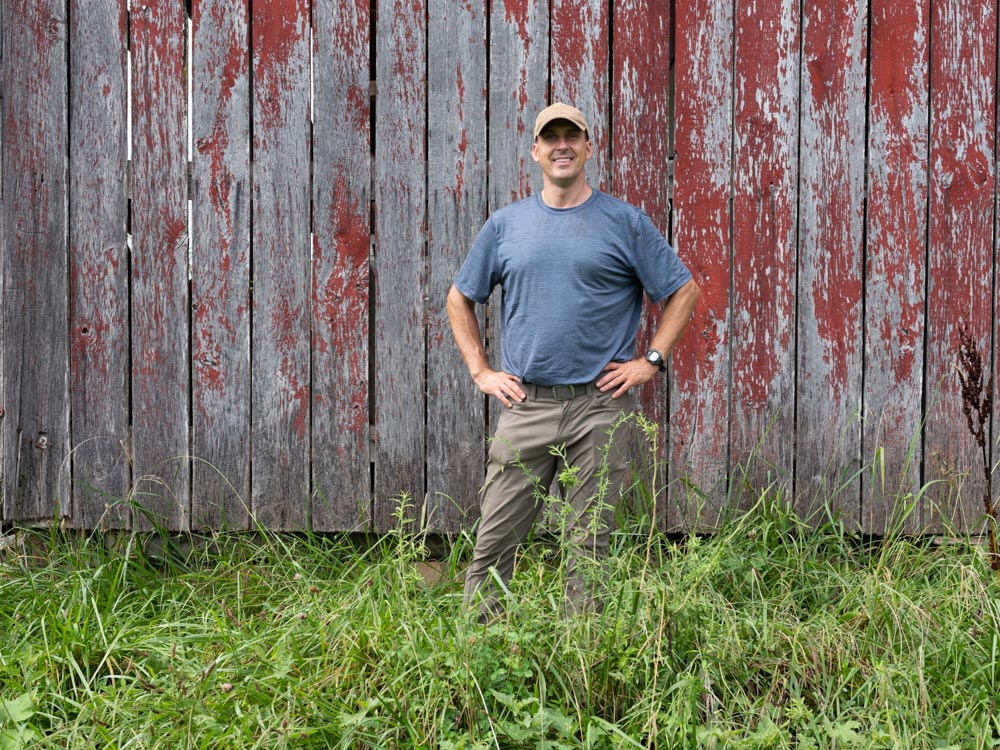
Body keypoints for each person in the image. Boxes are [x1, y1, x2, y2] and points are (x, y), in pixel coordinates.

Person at [447, 102, 699, 620]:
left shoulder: (624, 222)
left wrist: (650, 359)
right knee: (495, 543)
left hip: (599, 408)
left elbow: (683, 290)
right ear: (535, 152)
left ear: (588, 147)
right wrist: (481, 370)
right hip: (527, 403)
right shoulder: (506, 225)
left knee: (590, 548)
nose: (562, 145)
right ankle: (479, 656)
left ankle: (581, 661)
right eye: (551, 137)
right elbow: (459, 298)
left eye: (572, 135)